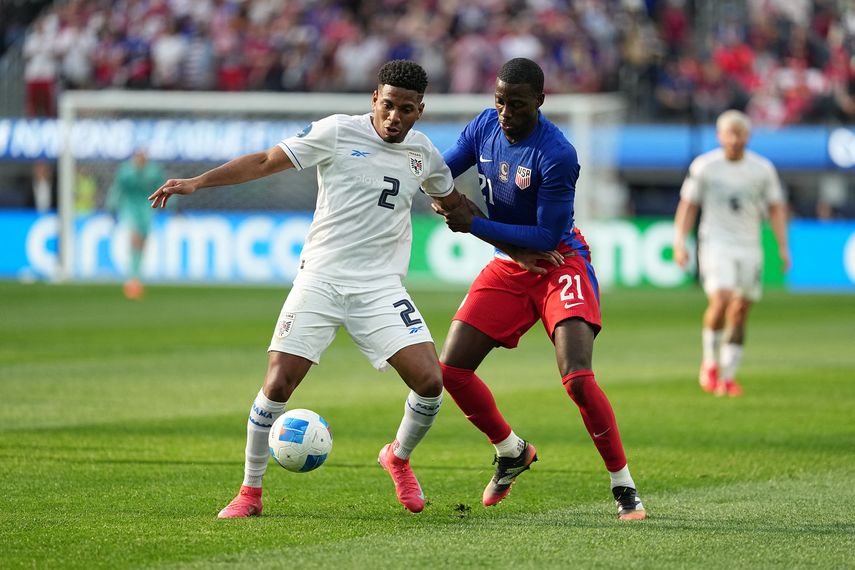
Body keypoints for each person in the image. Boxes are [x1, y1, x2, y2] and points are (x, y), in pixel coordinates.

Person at [149, 60, 464, 517]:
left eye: (407, 109)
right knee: (279, 382)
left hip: (379, 286)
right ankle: (250, 493)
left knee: (431, 382)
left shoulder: (424, 154)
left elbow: (451, 202)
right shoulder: (337, 131)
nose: (395, 117)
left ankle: (397, 457)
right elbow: (265, 161)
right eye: (389, 105)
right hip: (321, 277)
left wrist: (514, 242)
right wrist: (199, 182)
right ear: (374, 100)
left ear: (420, 111)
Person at [433, 58, 647, 520]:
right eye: (500, 101)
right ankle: (511, 451)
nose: (505, 112)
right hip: (510, 263)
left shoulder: (557, 153)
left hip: (560, 262)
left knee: (578, 379)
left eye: (517, 104)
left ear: (539, 102)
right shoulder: (483, 126)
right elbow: (442, 171)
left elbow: (547, 238)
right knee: (450, 371)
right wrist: (439, 191)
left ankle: (622, 484)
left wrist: (473, 224)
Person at [673, 109, 790, 397]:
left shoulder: (762, 169)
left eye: (740, 134)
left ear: (748, 136)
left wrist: (783, 246)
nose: (735, 140)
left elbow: (775, 208)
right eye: (730, 134)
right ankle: (710, 362)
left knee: (740, 311)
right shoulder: (705, 166)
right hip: (716, 242)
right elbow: (688, 205)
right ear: (720, 136)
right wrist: (679, 242)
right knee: (722, 298)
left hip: (750, 244)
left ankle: (728, 375)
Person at [107, 148, 166, 300]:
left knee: (142, 242)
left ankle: (137, 275)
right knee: (135, 238)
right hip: (129, 207)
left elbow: (164, 187)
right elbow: (117, 188)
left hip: (147, 208)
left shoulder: (154, 170)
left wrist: (171, 205)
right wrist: (112, 206)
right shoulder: (126, 170)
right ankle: (133, 279)